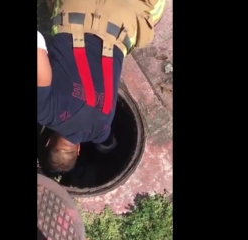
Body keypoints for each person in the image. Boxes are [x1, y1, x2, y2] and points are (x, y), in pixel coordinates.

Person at [37, 0, 166, 172]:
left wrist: (109, 148)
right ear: (48, 141)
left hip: (121, 21)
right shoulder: (45, 112)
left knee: (152, 12)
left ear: (78, 149)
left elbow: (107, 141)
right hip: (75, 11)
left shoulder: (100, 129)